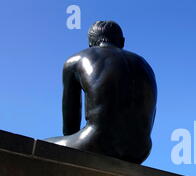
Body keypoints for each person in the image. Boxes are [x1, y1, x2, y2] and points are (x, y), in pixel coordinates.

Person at [45, 21, 157, 164]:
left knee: (41, 145)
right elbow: (151, 114)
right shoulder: (145, 66)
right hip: (141, 151)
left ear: (90, 43)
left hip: (95, 142)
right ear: (122, 42)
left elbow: (70, 124)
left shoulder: (75, 60)